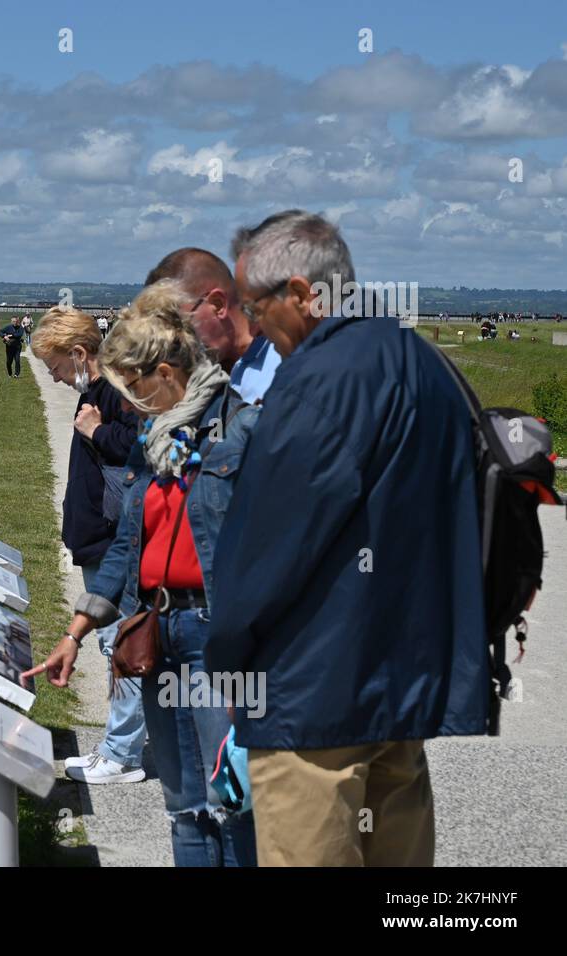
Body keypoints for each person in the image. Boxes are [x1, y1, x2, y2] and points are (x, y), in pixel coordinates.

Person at [210, 210, 487, 867]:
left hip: (312, 700)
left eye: (255, 305)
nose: (253, 328)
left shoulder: (320, 381)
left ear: (303, 294)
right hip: (401, 685)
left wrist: (226, 656)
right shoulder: (423, 362)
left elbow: (266, 548)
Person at [25, 280, 261, 867]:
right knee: (184, 807)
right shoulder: (155, 445)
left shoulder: (246, 431)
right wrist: (75, 633)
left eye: (134, 390)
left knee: (232, 801)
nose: (128, 405)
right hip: (158, 634)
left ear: (166, 372)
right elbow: (127, 547)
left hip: (217, 640)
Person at [32, 305, 147, 785]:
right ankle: (124, 744)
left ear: (80, 354)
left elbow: (142, 446)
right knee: (113, 643)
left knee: (119, 645)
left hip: (110, 539)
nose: (56, 379)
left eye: (56, 367)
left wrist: (96, 431)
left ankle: (121, 754)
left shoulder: (115, 393)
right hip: (97, 537)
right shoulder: (98, 391)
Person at [145, 247, 282, 405]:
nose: (176, 342)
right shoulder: (198, 380)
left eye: (179, 325)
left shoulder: (286, 360)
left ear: (218, 304)